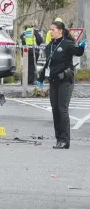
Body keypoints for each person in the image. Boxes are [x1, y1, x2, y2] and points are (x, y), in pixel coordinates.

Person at [37, 21, 86, 149]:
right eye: (50, 29)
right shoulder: (49, 46)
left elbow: (78, 53)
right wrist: (41, 78)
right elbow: (47, 64)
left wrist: (81, 47)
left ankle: (65, 140)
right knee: (55, 110)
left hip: (65, 81)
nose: (50, 31)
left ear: (60, 31)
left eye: (53, 29)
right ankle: (58, 139)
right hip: (53, 81)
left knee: (62, 109)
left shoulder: (67, 44)